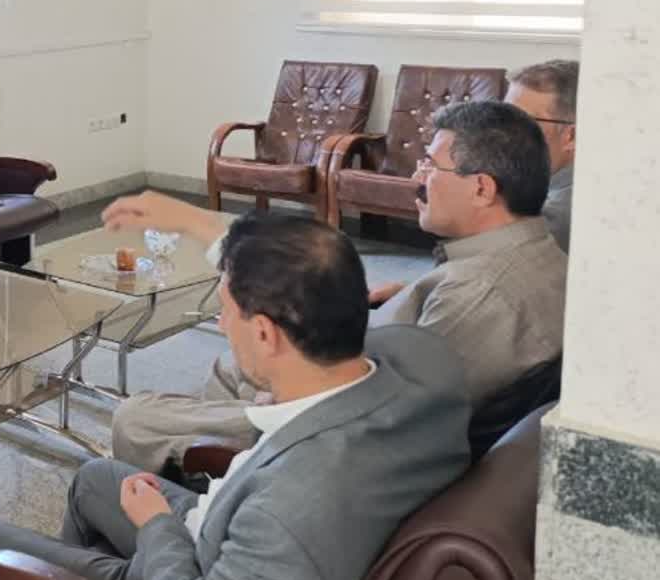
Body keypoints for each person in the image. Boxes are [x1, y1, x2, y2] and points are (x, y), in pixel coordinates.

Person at [0, 213, 470, 580]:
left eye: (226, 310)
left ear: (264, 333)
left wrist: (157, 530)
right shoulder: (423, 360)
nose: (220, 325)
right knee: (95, 479)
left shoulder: (293, 508)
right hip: (223, 540)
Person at [104, 99, 566, 471]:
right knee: (232, 367)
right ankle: (224, 480)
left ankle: (221, 479)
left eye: (430, 166)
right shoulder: (537, 258)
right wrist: (407, 296)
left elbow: (377, 413)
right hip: (362, 377)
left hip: (334, 431)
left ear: (482, 188)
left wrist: (281, 394)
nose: (416, 178)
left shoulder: (476, 296)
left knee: (137, 419)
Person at [505, 58, 577, 251]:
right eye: (503, 117)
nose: (503, 133)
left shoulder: (553, 217)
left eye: (522, 122)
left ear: (571, 136)